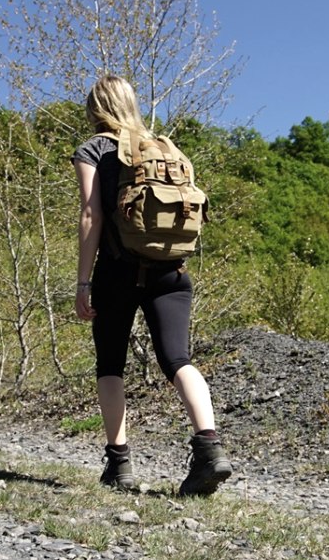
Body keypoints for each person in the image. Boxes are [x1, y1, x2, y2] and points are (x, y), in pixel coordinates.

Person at [72, 75, 233, 496]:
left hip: (118, 270)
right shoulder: (165, 148)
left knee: (110, 364)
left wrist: (83, 280)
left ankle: (119, 465)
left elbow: (92, 217)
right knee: (178, 360)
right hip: (171, 269)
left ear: (96, 108)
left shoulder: (94, 149)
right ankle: (210, 449)